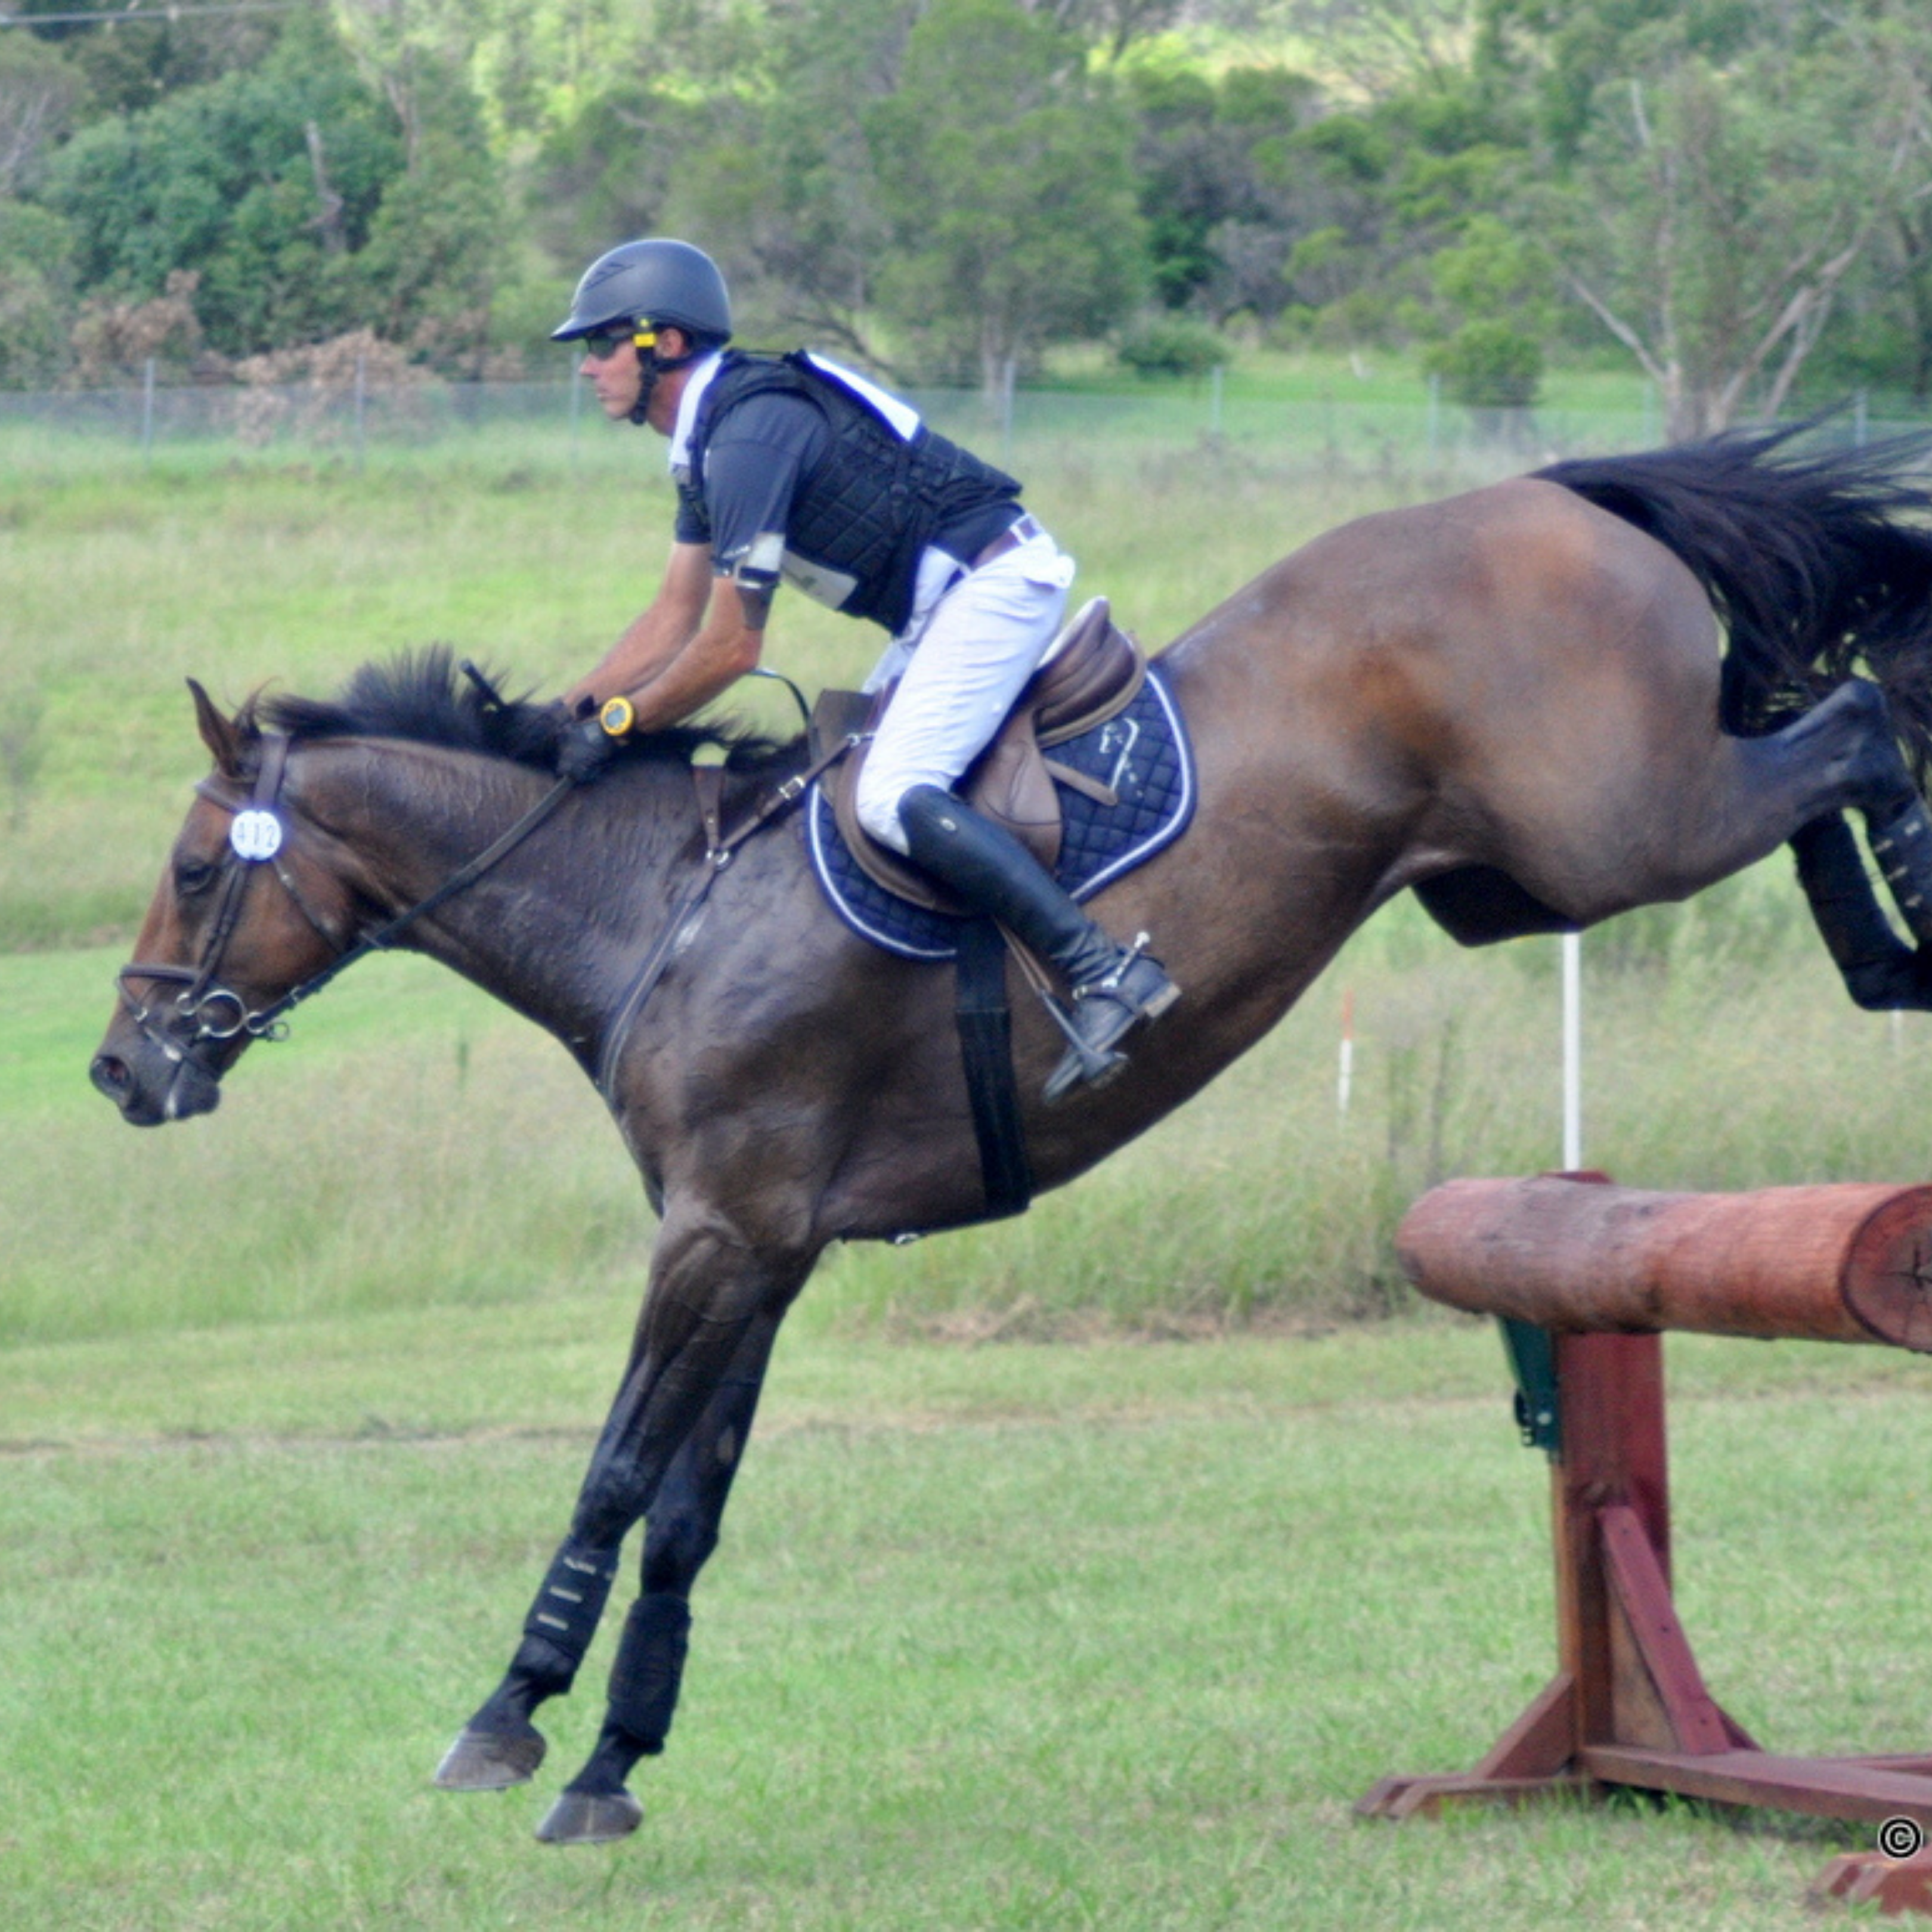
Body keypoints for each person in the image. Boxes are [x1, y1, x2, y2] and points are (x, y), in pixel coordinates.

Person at [550, 236, 1177, 1101]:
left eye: (601, 342)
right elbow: (670, 617)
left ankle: (1102, 968)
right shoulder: (710, 443)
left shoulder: (747, 437)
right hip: (943, 604)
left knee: (888, 795)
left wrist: (623, 723)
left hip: (995, 585)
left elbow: (732, 650)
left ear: (665, 342)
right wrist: (566, 715)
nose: (588, 367)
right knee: (834, 777)